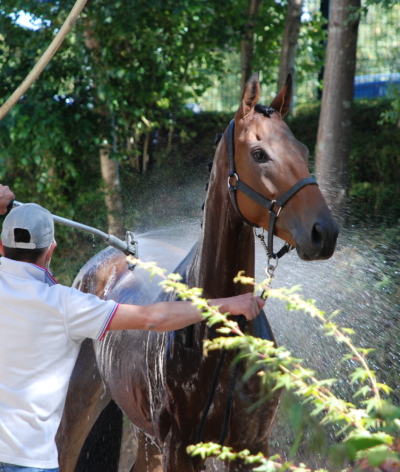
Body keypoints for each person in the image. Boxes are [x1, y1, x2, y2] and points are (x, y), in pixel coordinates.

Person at [0, 203, 264, 472]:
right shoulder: (64, 304)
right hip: (30, 463)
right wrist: (225, 305)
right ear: (51, 250)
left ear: (1, 247)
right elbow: (152, 318)